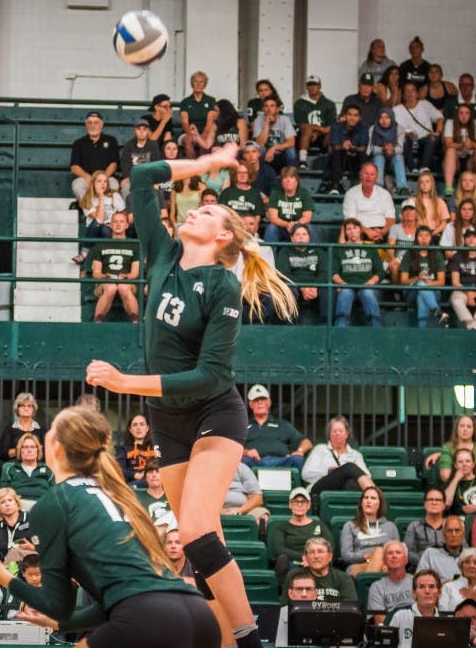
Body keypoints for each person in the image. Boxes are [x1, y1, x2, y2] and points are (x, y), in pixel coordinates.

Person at [84, 144, 298, 647]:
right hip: (167, 420)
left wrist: (124, 383)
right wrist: (203, 165)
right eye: (195, 204)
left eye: (207, 211)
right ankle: (220, 641)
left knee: (199, 529)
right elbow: (139, 177)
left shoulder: (223, 286)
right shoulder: (160, 253)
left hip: (214, 412)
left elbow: (207, 377)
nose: (194, 209)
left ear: (223, 235)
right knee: (204, 544)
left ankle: (249, 639)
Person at [0, 407, 222, 648]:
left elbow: (58, 605)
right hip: (199, 614)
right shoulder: (121, 493)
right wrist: (61, 625)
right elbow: (118, 601)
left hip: (145, 616)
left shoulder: (54, 502)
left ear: (56, 447)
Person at [268, 488, 333, 582]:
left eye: (303, 501)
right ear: (290, 504)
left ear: (309, 505)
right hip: (291, 563)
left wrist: (311, 558)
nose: (299, 504)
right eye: (295, 501)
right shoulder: (282, 526)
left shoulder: (319, 524)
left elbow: (330, 545)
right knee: (282, 560)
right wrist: (303, 557)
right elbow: (279, 549)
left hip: (315, 560)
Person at [301, 415, 374, 495]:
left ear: (346, 434)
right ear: (329, 434)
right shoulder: (320, 449)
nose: (337, 433)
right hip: (320, 489)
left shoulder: (356, 455)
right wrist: (328, 472)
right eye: (334, 431)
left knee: (350, 484)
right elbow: (305, 474)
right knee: (349, 467)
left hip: (347, 489)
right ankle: (375, 494)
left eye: (340, 430)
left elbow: (367, 476)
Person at [243, 384, 311, 469]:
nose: (260, 403)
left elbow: (307, 442)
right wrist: (246, 452)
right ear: (251, 404)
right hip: (255, 462)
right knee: (243, 461)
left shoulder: (282, 424)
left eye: (263, 399)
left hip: (282, 462)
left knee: (297, 459)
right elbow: (233, 447)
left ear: (269, 402)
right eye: (256, 400)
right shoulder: (243, 426)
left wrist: (300, 451)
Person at [89, 211, 140, 322]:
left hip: (127, 282)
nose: (118, 224)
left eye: (121, 222)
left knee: (123, 286)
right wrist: (104, 276)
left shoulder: (134, 244)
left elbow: (135, 273)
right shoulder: (101, 244)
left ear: (127, 225)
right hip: (106, 282)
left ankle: (136, 321)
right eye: (115, 222)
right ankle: (97, 321)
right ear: (110, 225)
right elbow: (96, 273)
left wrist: (126, 277)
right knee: (111, 287)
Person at [332, 218, 383, 328]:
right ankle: (340, 329)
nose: (352, 231)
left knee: (368, 293)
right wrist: (341, 282)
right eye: (349, 229)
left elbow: (380, 272)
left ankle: (376, 328)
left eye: (355, 228)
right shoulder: (339, 249)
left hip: (366, 285)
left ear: (360, 230)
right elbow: (333, 272)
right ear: (345, 232)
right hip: (347, 285)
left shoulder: (371, 248)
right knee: (345, 293)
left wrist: (371, 282)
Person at [340, 486, 400, 577]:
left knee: (381, 556)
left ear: (380, 504)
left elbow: (398, 553)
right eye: (366, 498)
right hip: (358, 566)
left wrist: (379, 559)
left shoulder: (390, 527)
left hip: (385, 564)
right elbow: (346, 555)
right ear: (361, 502)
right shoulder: (350, 525)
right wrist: (365, 556)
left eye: (373, 498)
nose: (368, 501)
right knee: (380, 556)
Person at [399, 224, 449, 328]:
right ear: (416, 238)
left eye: (427, 235)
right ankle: (437, 311)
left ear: (431, 238)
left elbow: (441, 282)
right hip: (411, 292)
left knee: (422, 294)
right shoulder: (409, 254)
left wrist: (427, 284)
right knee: (421, 285)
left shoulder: (437, 254)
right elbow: (403, 281)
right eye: (420, 236)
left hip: (433, 292)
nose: (424, 238)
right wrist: (418, 279)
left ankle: (422, 327)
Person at [275, 223, 326, 320]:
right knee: (288, 289)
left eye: (304, 234)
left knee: (328, 289)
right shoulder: (284, 251)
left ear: (309, 237)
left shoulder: (318, 250)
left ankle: (326, 322)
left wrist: (314, 286)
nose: (301, 237)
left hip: (315, 286)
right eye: (297, 235)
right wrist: (302, 287)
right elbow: (283, 273)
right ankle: (290, 323)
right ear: (292, 238)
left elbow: (324, 271)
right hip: (295, 285)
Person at [283, 537, 357, 603]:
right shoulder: (295, 576)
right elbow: (285, 607)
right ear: (305, 557)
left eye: (320, 551)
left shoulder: (343, 578)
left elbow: (350, 608)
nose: (316, 556)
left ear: (330, 556)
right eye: (312, 552)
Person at [384, 570, 444, 648]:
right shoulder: (399, 615)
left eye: (431, 586)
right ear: (414, 593)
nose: (427, 591)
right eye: (422, 587)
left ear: (439, 592)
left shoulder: (446, 621)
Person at [394, 82, 444, 172]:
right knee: (403, 140)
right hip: (408, 139)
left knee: (432, 139)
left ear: (417, 93)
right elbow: (394, 128)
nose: (410, 93)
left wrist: (438, 131)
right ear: (403, 94)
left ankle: (423, 167)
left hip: (425, 139)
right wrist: (405, 134)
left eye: (412, 90)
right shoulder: (397, 109)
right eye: (407, 91)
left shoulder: (425, 104)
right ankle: (412, 169)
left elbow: (439, 117)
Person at [69, 112, 119, 201]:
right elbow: (74, 167)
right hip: (86, 178)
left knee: (114, 185)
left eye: (96, 123)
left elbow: (114, 164)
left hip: (106, 177)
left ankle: (106, 212)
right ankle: (89, 211)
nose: (93, 125)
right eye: (89, 123)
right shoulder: (79, 143)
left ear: (101, 125)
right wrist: (87, 177)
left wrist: (103, 179)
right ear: (86, 125)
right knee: (77, 185)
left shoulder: (111, 140)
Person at [443, 103, 476, 198]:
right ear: (457, 114)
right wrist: (461, 145)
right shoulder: (450, 122)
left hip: (470, 162)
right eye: (461, 113)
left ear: (471, 115)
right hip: (455, 162)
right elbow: (447, 143)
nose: (464, 116)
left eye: (467, 113)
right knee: (451, 150)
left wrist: (472, 144)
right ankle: (448, 188)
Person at [341, 162, 395, 243]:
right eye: (366, 173)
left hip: (382, 231)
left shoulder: (385, 194)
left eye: (372, 174)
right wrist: (368, 231)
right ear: (361, 176)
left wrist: (383, 232)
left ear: (376, 177)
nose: (369, 177)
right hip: (360, 230)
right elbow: (351, 220)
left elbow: (391, 219)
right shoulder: (351, 194)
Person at [293, 75, 337, 168]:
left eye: (315, 84)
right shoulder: (299, 103)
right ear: (306, 86)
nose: (312, 87)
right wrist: (315, 130)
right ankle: (302, 161)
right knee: (307, 129)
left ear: (320, 86)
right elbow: (302, 125)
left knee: (333, 133)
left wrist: (317, 132)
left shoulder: (329, 104)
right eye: (310, 85)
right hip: (304, 136)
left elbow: (331, 126)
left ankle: (331, 163)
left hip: (323, 136)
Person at [323, 103, 367, 194]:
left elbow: (363, 147)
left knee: (363, 156)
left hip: (354, 158)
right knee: (336, 154)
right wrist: (343, 146)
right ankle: (335, 186)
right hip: (340, 157)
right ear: (345, 116)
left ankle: (362, 186)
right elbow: (334, 146)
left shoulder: (363, 128)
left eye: (355, 115)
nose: (352, 118)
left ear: (359, 118)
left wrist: (353, 148)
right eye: (350, 115)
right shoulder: (336, 127)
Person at [264, 166, 314, 243]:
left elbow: (307, 217)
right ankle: (268, 254)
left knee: (310, 228)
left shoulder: (304, 193)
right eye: (285, 178)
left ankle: (314, 253)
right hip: (281, 227)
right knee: (271, 228)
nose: (288, 180)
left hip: (299, 226)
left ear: (296, 181)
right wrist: (287, 224)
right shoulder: (276, 193)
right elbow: (273, 218)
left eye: (291, 177)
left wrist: (296, 225)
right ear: (282, 182)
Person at [0, 433, 55, 504]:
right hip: (18, 506)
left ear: (37, 450)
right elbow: (4, 493)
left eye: (32, 447)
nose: (29, 450)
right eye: (26, 447)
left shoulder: (47, 469)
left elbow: (55, 492)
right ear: (20, 450)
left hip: (42, 505)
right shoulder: (10, 469)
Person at [367, 542, 413, 623]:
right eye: (390, 553)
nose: (394, 556)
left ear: (406, 560)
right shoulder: (377, 587)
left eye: (398, 553)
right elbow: (380, 622)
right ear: (384, 560)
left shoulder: (417, 582)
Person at [367, 107, 409, 195]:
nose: (384, 120)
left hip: (392, 161)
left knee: (398, 156)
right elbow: (371, 149)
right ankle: (378, 186)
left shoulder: (399, 128)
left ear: (392, 118)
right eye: (381, 118)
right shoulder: (373, 129)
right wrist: (383, 149)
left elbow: (400, 148)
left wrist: (392, 149)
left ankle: (402, 187)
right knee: (379, 157)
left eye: (387, 117)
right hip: (376, 161)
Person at [416, 515, 469, 583]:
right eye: (449, 531)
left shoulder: (473, 555)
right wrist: (442, 586)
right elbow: (419, 583)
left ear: (463, 534)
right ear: (443, 534)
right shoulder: (430, 554)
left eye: (457, 530)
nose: (453, 534)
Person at [404, 487, 447, 570]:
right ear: (425, 504)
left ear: (444, 505)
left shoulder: (452, 526)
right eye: (430, 499)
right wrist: (427, 562)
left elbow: (463, 549)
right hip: (421, 570)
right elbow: (408, 552)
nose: (434, 502)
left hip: (446, 568)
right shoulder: (414, 526)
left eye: (438, 500)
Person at [119, 118, 162, 198]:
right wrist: (130, 177)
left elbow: (156, 164)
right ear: (135, 131)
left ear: (148, 131)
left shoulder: (153, 145)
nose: (142, 131)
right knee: (125, 188)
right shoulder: (129, 145)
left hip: (149, 178)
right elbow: (125, 164)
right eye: (139, 129)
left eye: (144, 129)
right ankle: (130, 210)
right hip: (132, 179)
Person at [179, 70, 218, 158]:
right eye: (195, 81)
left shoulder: (210, 100)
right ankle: (193, 168)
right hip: (188, 132)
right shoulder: (185, 102)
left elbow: (210, 122)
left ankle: (203, 169)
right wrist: (190, 134)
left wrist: (201, 136)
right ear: (192, 83)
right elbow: (185, 122)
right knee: (188, 141)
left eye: (201, 82)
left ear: (205, 84)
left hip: (205, 132)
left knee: (204, 142)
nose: (198, 84)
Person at [274, 572, 318, 648]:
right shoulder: (276, 616)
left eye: (308, 589)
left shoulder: (327, 616)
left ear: (315, 594)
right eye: (299, 589)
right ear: (290, 593)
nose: (304, 594)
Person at [253, 96, 297, 171]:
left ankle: (290, 174)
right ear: (263, 109)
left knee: (291, 151)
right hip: (265, 155)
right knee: (260, 150)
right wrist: (266, 123)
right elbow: (259, 144)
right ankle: (260, 175)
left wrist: (274, 148)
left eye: (272, 106)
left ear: (277, 109)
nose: (269, 109)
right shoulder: (258, 120)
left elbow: (291, 142)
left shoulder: (285, 120)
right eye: (266, 106)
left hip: (281, 155)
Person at [0, 392, 44, 463]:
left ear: (33, 409)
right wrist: (28, 450)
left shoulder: (41, 429)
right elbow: (4, 453)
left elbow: (45, 452)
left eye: (29, 406)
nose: (26, 408)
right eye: (22, 406)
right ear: (17, 408)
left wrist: (20, 450)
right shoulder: (10, 429)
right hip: (14, 466)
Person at [443, 448, 476, 516]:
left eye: (468, 461)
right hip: (460, 522)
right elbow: (446, 504)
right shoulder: (451, 483)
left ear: (473, 464)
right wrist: (456, 480)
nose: (464, 464)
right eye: (460, 462)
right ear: (455, 465)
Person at [115, 413, 157, 487]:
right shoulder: (123, 449)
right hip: (133, 484)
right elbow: (118, 469)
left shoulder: (156, 447)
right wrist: (135, 475)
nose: (138, 428)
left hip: (155, 481)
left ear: (147, 428)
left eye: (142, 424)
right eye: (135, 425)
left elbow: (164, 466)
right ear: (130, 430)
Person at [218, 161, 265, 227]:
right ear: (234, 174)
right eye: (239, 172)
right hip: (232, 227)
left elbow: (258, 215)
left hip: (248, 227)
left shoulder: (255, 193)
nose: (242, 175)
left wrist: (253, 227)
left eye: (245, 173)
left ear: (249, 174)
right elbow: (221, 213)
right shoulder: (227, 192)